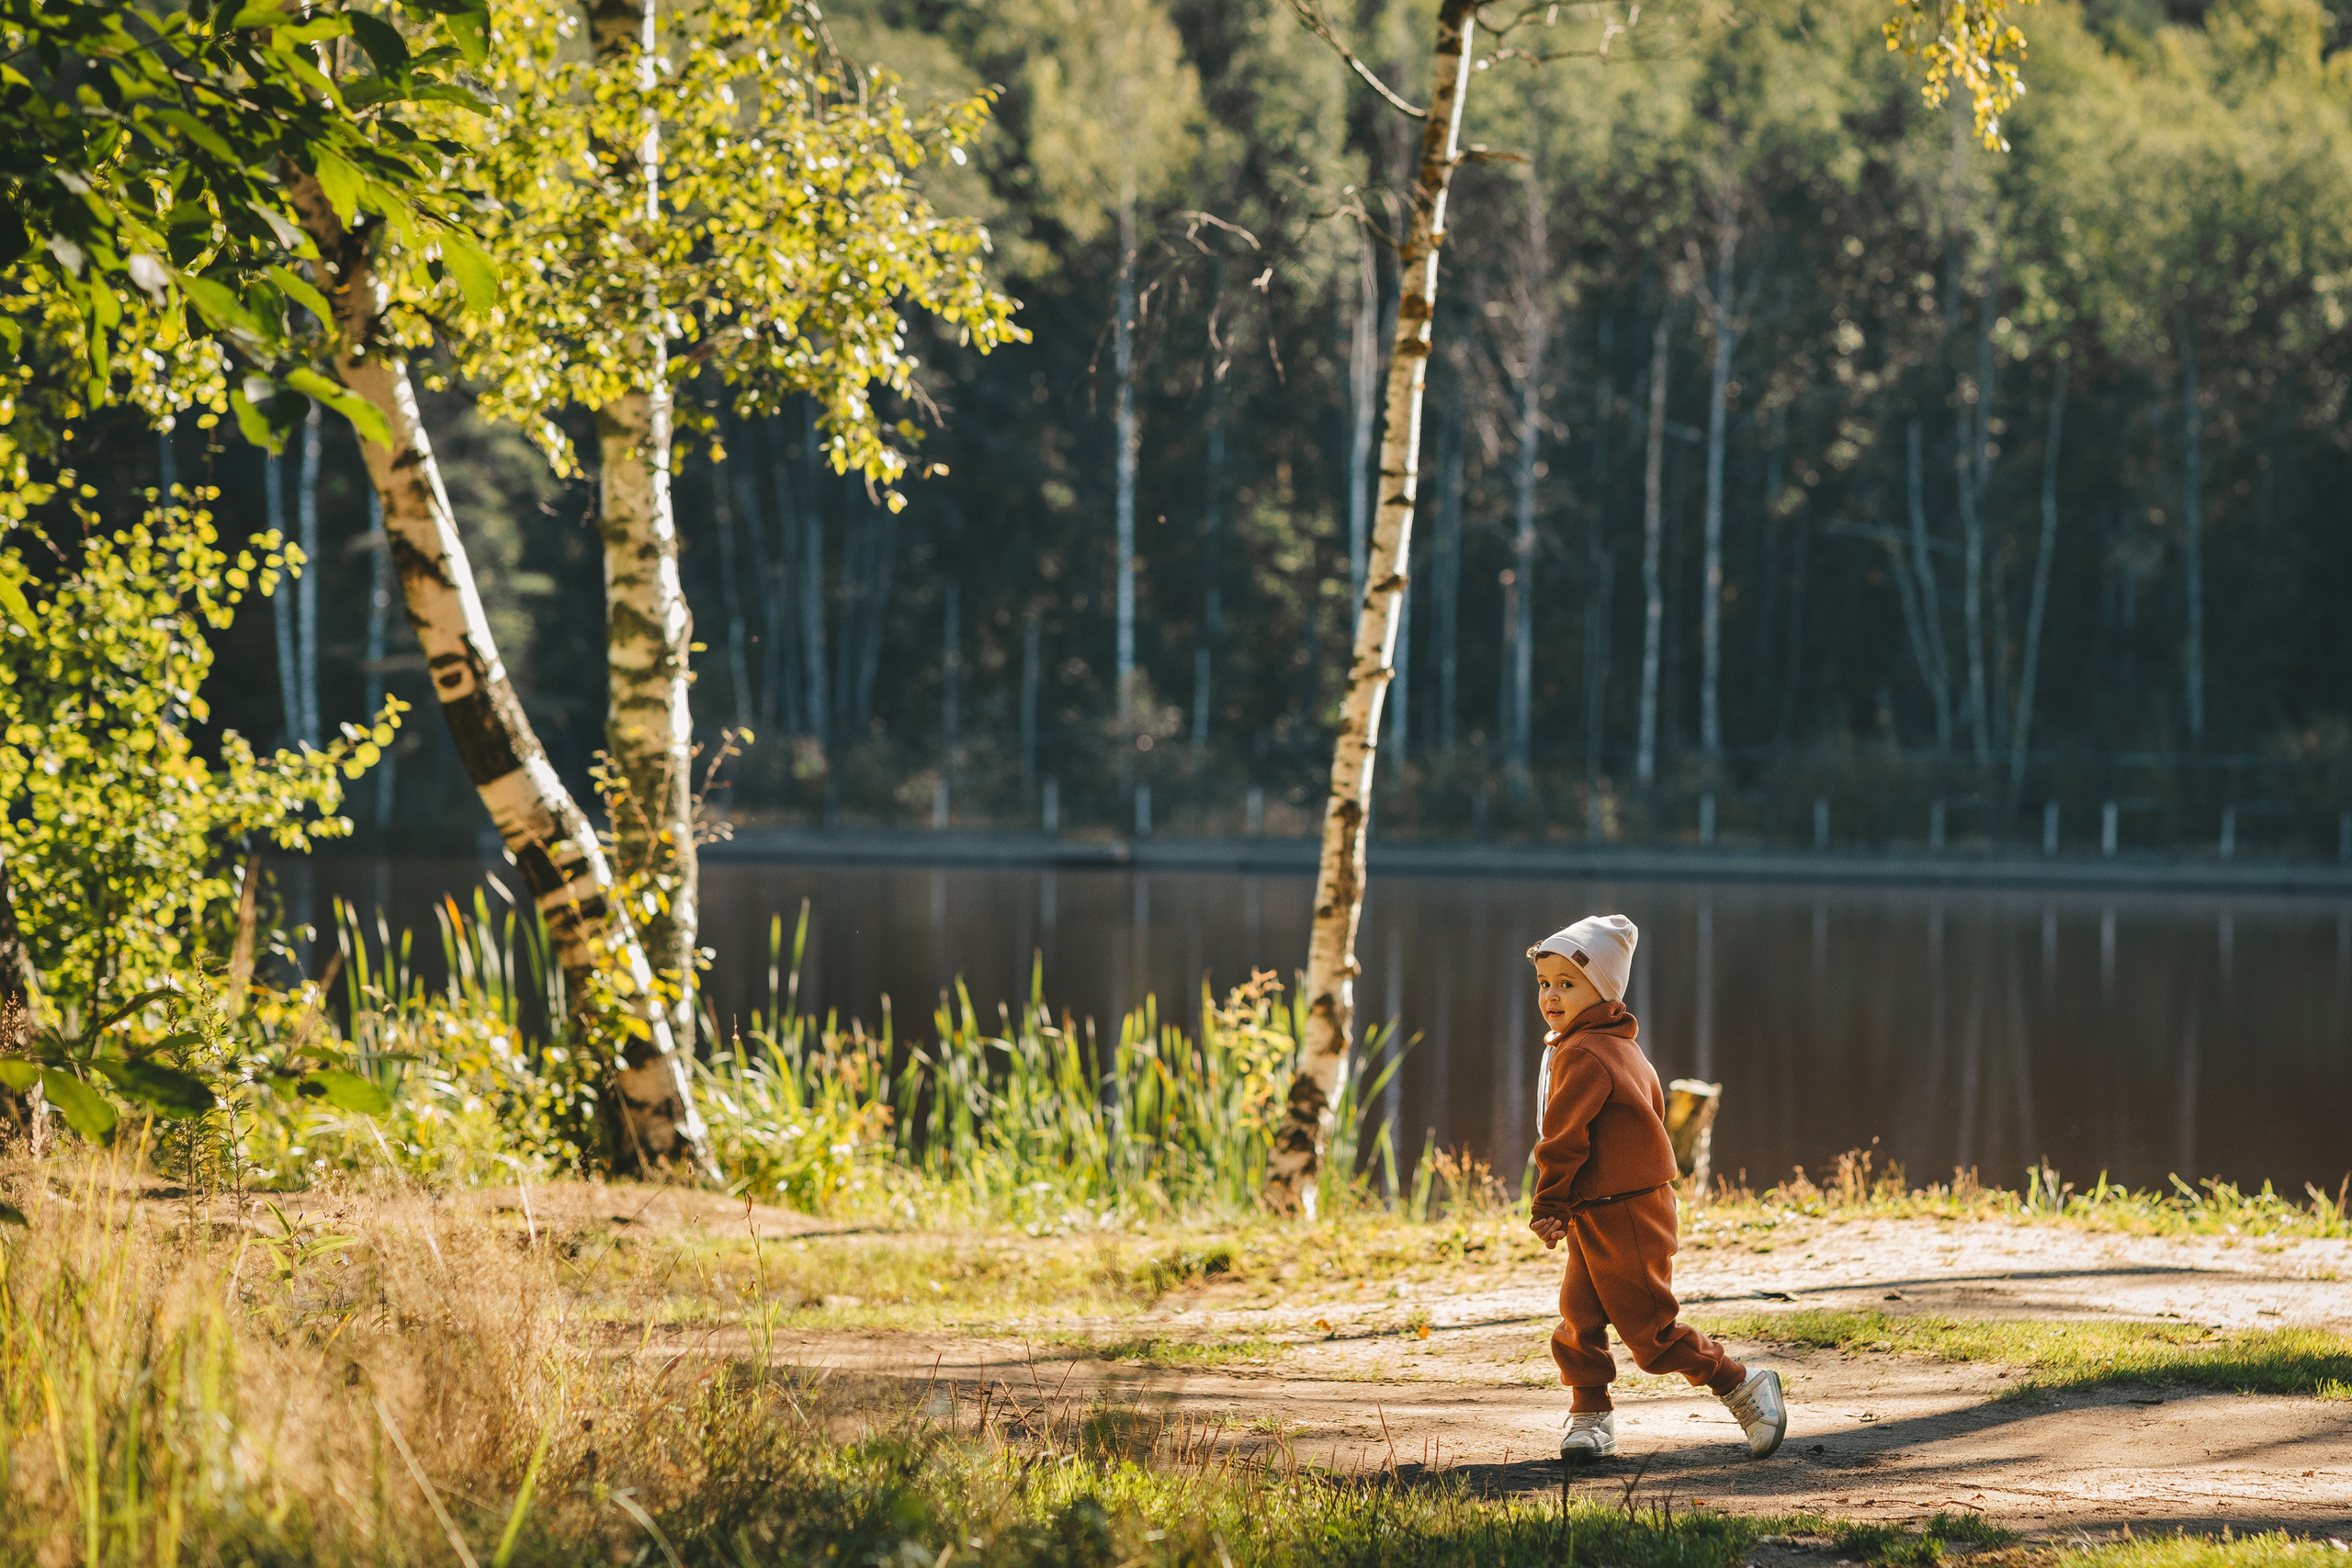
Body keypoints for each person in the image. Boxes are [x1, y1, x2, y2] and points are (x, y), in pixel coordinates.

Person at [1525, 913, 1787, 1464]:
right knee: (1580, 1317)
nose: (1551, 996)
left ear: (1603, 989)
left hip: (1626, 1212)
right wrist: (1571, 1205)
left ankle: (1743, 1385)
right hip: (1603, 1207)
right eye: (1544, 984)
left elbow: (1563, 1139)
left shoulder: (1586, 1052)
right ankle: (1590, 1415)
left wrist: (1549, 1202)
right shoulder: (1611, 1045)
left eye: (1567, 984)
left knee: (1651, 1332)